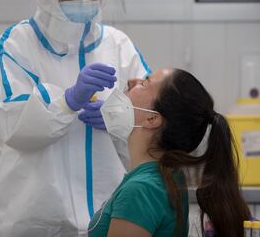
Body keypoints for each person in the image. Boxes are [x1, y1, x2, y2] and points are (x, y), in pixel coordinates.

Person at [0, 0, 151, 236]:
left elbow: (151, 117)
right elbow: (12, 121)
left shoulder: (119, 45)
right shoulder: (18, 44)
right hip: (34, 218)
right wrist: (68, 101)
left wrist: (120, 119)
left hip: (107, 215)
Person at [88, 68, 251, 237]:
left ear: (152, 119)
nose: (131, 81)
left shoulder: (141, 190)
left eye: (144, 83)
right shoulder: (166, 176)